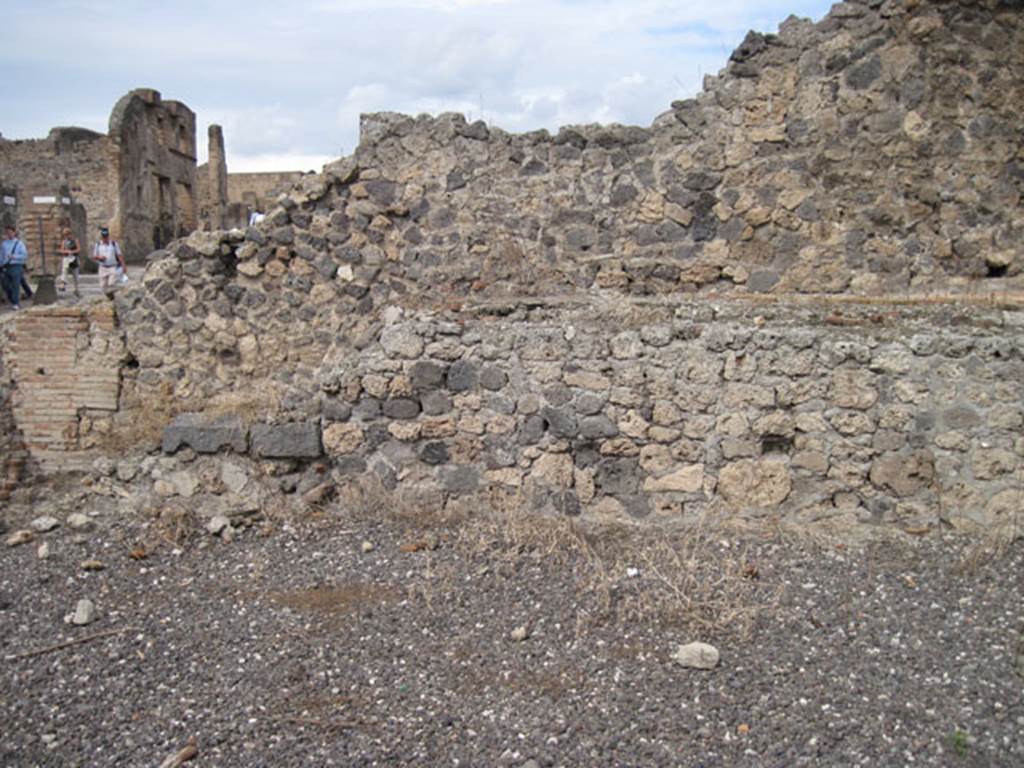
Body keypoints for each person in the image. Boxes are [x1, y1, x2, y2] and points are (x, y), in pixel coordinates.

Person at [0, 225, 29, 310]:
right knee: (5, 284)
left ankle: (16, 302)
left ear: (14, 232)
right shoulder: (4, 244)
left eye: (10, 232)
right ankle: (12, 299)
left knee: (16, 284)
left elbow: (24, 255)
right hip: (6, 266)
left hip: (16, 265)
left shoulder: (19, 243)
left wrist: (14, 256)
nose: (9, 234)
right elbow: (1, 255)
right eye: (7, 232)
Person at [92, 227, 124, 295]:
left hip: (112, 267)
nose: (105, 238)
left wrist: (123, 266)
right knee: (103, 286)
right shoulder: (98, 244)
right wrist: (99, 257)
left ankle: (113, 296)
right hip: (102, 267)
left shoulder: (113, 244)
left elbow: (119, 255)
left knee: (111, 284)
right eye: (104, 237)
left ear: (108, 236)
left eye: (106, 236)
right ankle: (106, 297)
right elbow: (94, 256)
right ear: (101, 237)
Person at [57, 227, 81, 297]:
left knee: (75, 274)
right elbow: (61, 250)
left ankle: (76, 289)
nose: (67, 236)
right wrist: (66, 252)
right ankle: (63, 284)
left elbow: (79, 249)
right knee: (64, 271)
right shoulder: (64, 242)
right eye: (65, 235)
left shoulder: (75, 241)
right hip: (67, 258)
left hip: (74, 258)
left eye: (68, 235)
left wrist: (72, 252)